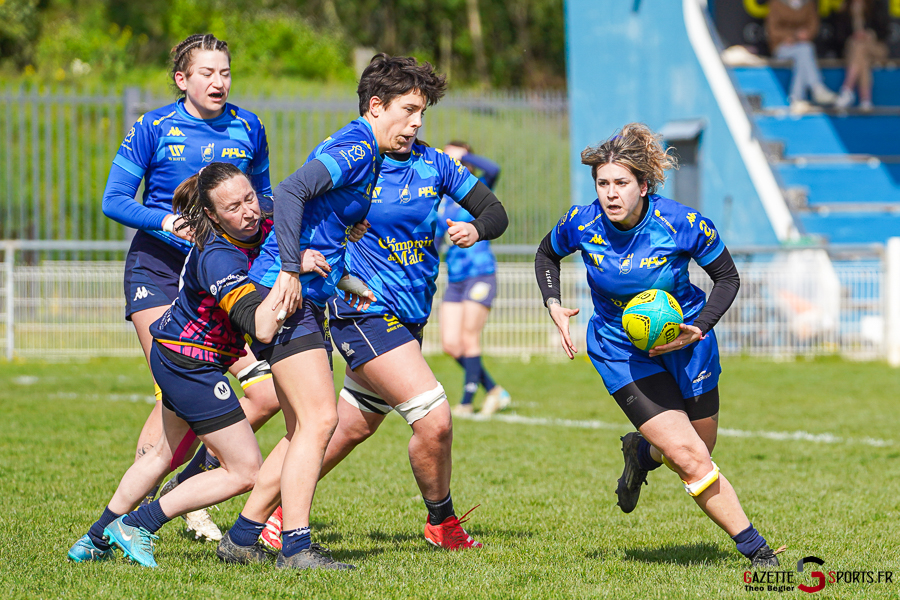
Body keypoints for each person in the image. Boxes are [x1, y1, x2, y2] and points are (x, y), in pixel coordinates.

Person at [213, 53, 449, 569]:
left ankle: (242, 537)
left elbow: (313, 206)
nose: (416, 123)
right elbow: (294, 189)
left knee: (308, 429)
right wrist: (291, 267)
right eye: (408, 110)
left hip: (305, 296)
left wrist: (338, 262)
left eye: (422, 114)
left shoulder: (366, 150)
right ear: (376, 105)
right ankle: (294, 547)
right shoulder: (358, 145)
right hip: (286, 298)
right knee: (321, 420)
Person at [533, 123, 783, 568]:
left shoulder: (681, 223)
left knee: (697, 449)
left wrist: (700, 326)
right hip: (620, 352)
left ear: (643, 186)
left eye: (622, 184)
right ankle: (758, 551)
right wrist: (553, 303)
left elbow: (728, 277)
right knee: (689, 458)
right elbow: (546, 254)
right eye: (603, 183)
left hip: (687, 344)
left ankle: (639, 451)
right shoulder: (581, 222)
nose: (611, 193)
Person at [101, 33, 282, 542]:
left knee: (266, 394)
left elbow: (263, 201)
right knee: (174, 396)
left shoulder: (249, 126)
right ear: (182, 79)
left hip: (219, 277)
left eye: (225, 72)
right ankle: (121, 523)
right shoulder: (153, 126)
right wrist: (167, 222)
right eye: (207, 73)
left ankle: (191, 484)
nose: (218, 82)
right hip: (158, 272)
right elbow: (114, 200)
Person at [68, 163, 290, 567]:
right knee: (245, 471)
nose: (249, 212)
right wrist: (294, 273)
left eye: (250, 198)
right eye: (233, 207)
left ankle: (94, 539)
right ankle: (139, 523)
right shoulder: (219, 257)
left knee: (160, 455)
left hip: (176, 352)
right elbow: (260, 327)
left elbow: (299, 201)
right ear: (211, 216)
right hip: (192, 364)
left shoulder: (261, 210)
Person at [437, 142, 511, 417]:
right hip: (456, 279)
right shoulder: (442, 198)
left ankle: (467, 402)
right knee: (450, 344)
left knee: (469, 338)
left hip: (480, 273)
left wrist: (463, 156)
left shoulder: (478, 186)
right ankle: (494, 390)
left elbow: (494, 168)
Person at [766, 0, 838, 113]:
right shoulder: (776, 3)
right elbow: (772, 30)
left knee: (803, 54)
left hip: (801, 47)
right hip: (781, 47)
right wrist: (791, 36)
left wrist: (805, 34)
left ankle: (796, 98)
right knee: (806, 50)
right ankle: (816, 88)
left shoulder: (809, 4)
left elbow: (813, 26)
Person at [835, 0, 889, 110]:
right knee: (860, 52)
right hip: (853, 50)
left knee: (860, 47)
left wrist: (869, 34)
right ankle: (865, 100)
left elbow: (884, 31)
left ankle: (847, 89)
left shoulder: (876, 7)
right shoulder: (844, 11)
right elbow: (839, 37)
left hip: (875, 48)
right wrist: (854, 35)